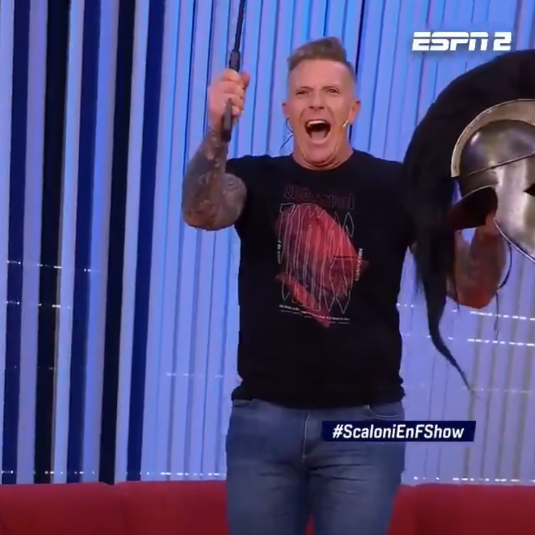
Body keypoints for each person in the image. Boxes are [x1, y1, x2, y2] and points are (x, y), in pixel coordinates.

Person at [180, 37, 506, 535]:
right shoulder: (254, 178)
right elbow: (199, 211)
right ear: (288, 112)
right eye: (303, 93)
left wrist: (488, 228)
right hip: (263, 424)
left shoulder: (400, 187)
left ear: (352, 110)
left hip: (365, 427)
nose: (316, 103)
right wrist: (217, 131)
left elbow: (471, 288)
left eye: (331, 92)